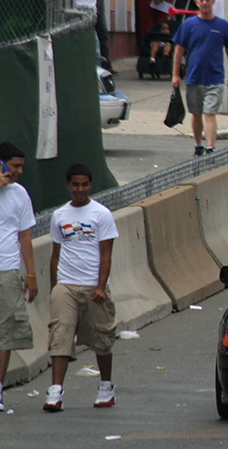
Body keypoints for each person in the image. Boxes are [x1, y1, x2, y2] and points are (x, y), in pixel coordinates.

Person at [45, 163, 119, 412]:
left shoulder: (101, 214)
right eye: (75, 185)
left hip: (93, 287)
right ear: (68, 185)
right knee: (60, 335)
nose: (80, 189)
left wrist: (101, 287)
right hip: (66, 285)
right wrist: (54, 288)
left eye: (84, 185)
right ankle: (55, 392)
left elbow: (106, 254)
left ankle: (106, 387)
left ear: (90, 185)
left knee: (102, 339)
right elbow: (55, 254)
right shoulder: (59, 215)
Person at [171, 0, 228, 157]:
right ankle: (198, 144)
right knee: (196, 114)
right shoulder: (188, 25)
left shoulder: (222, 25)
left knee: (210, 113)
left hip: (215, 79)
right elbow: (179, 50)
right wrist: (175, 74)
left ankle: (210, 148)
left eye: (208, 0)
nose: (205, 3)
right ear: (197, 2)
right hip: (194, 78)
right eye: (202, 0)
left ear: (213, 2)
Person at [0, 143, 37, 413]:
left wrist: (31, 273)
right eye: (15, 166)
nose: (19, 171)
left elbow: (25, 235)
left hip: (8, 269)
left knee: (6, 332)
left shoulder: (20, 193)